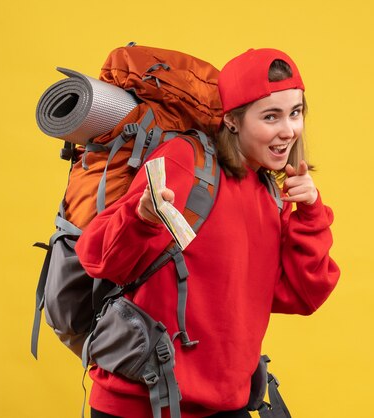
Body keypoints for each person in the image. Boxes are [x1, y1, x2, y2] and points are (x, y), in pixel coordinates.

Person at [75, 48, 340, 418]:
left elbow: (301, 295)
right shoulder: (186, 160)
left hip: (223, 405)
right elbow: (98, 259)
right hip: (142, 406)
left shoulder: (268, 190)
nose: (288, 130)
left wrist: (311, 214)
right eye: (271, 116)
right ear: (232, 120)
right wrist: (141, 218)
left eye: (295, 113)